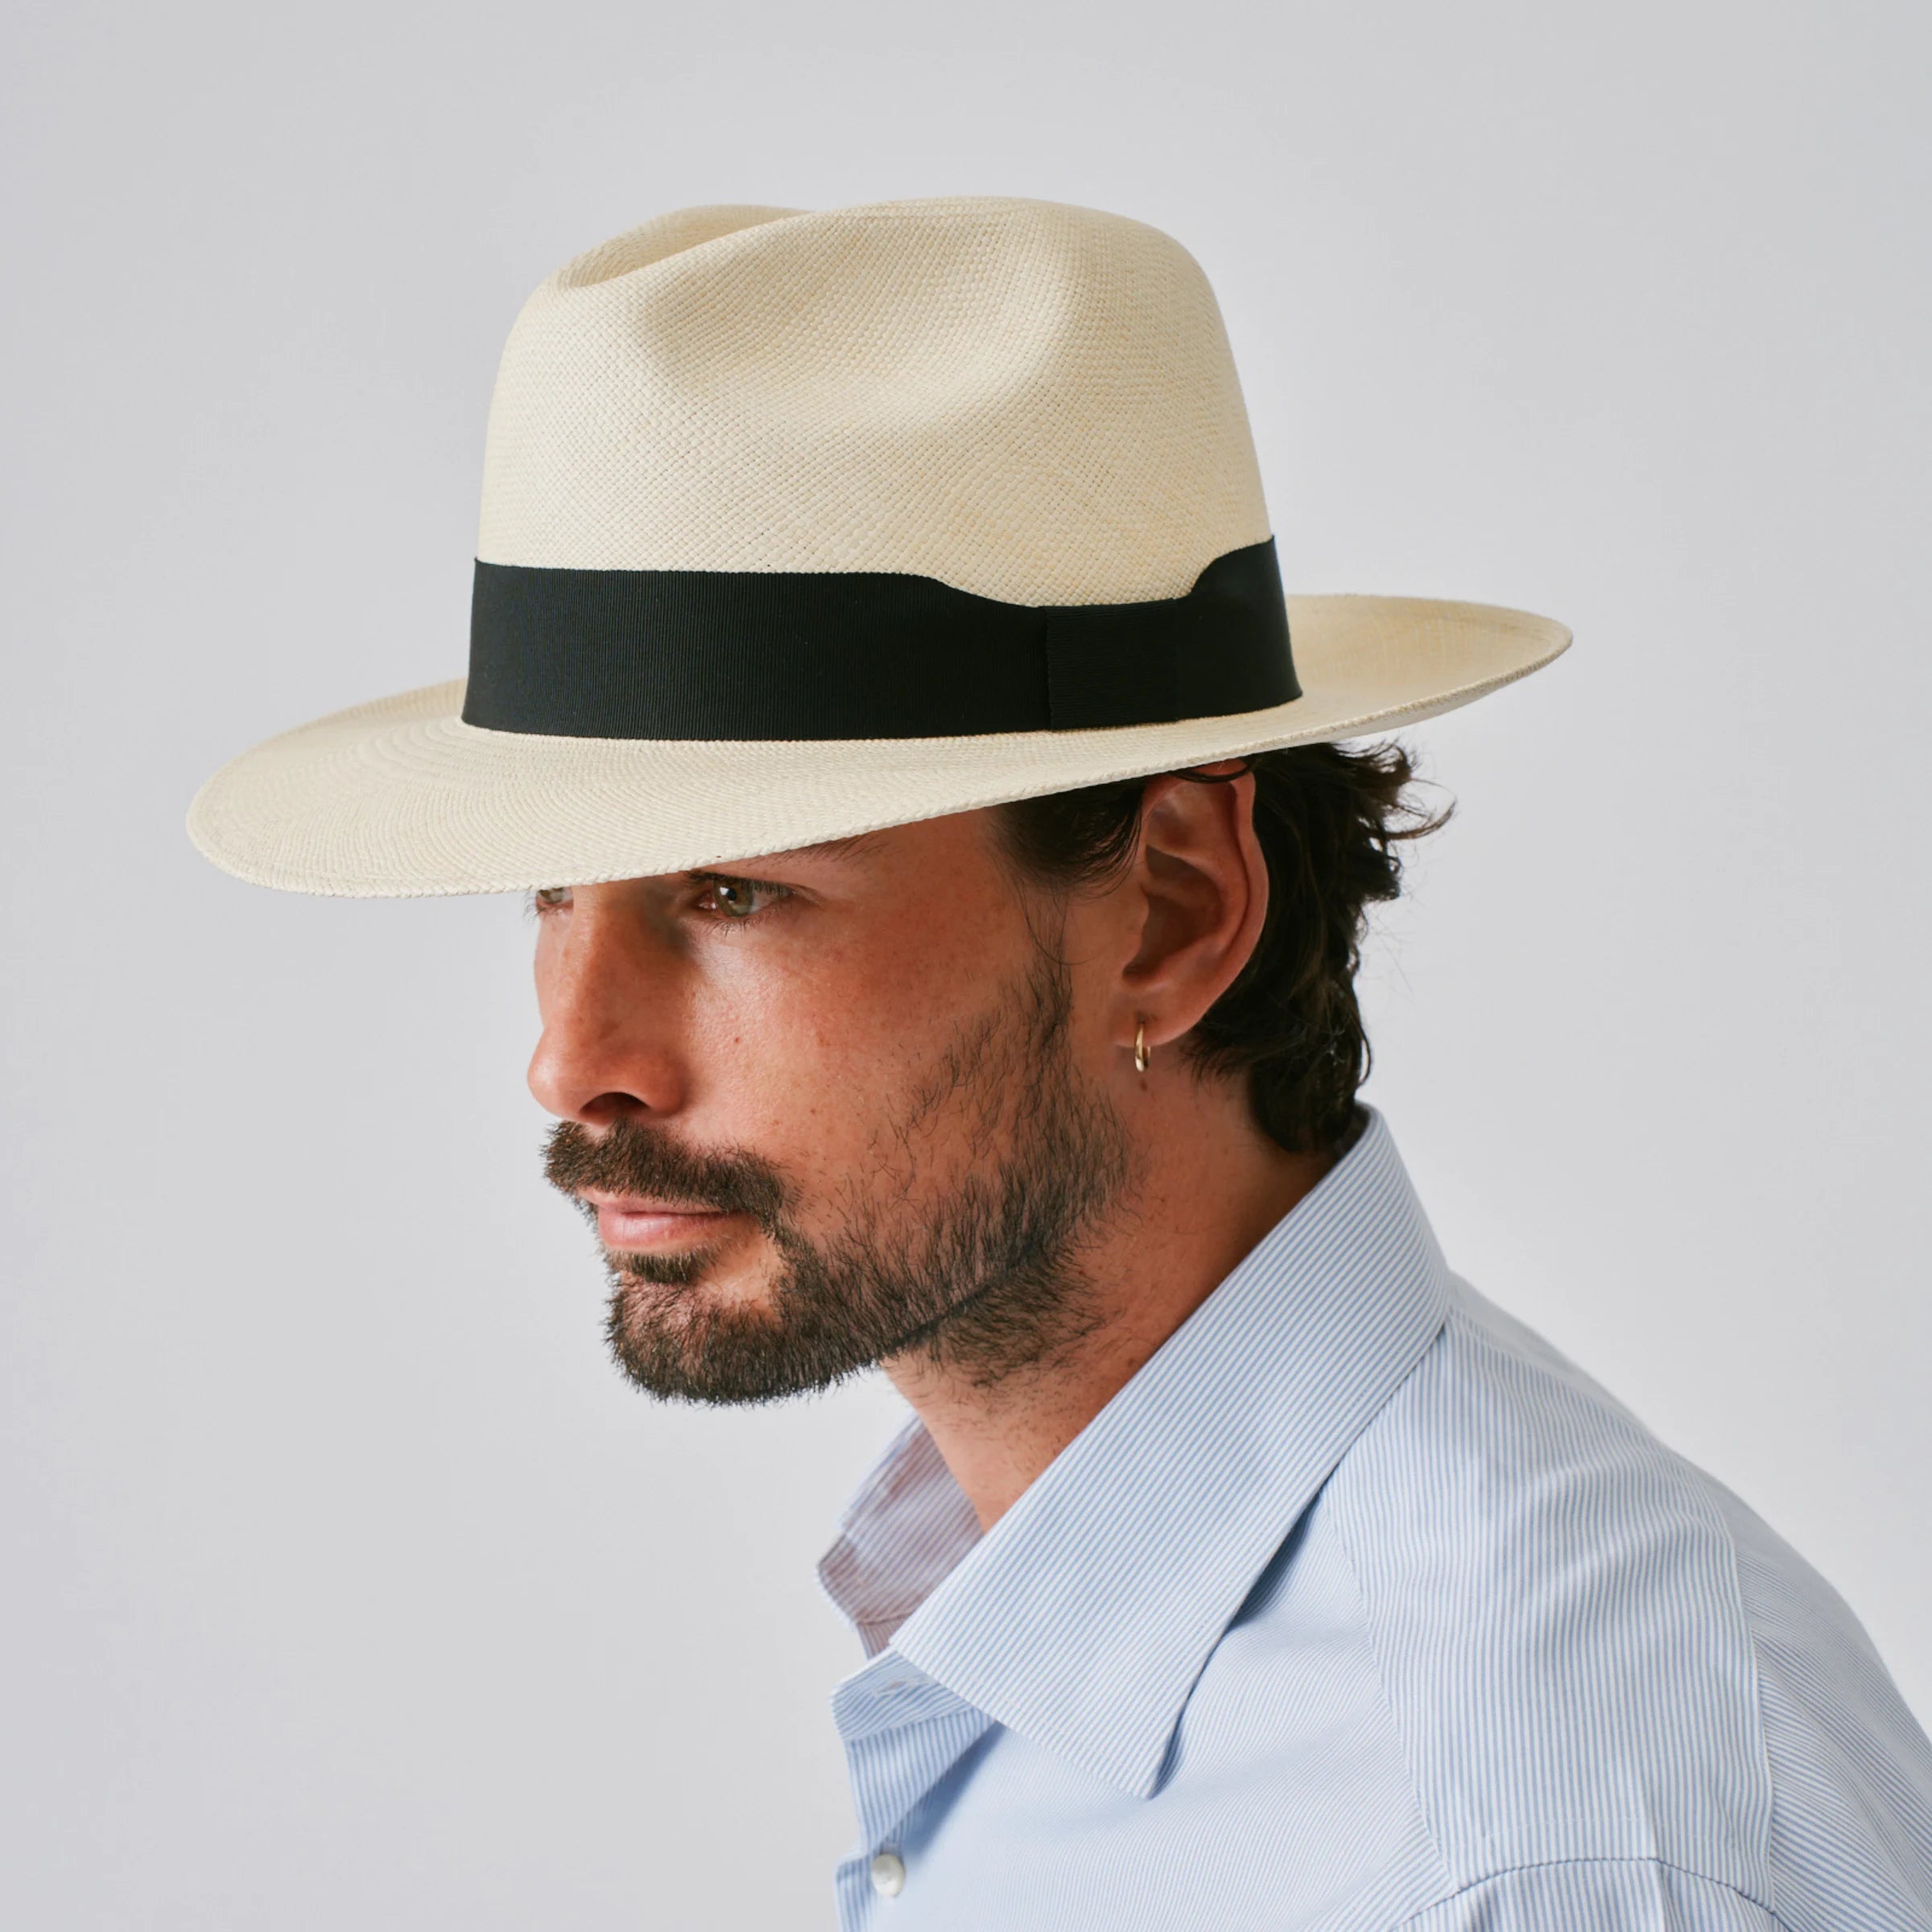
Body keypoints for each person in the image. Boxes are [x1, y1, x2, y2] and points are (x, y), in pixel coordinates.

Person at [190, 196, 1932, 1930]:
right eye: (553, 891)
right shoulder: (1049, 1624)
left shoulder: (1542, 1828)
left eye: (730, 890)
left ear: (1171, 913)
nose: (573, 1058)